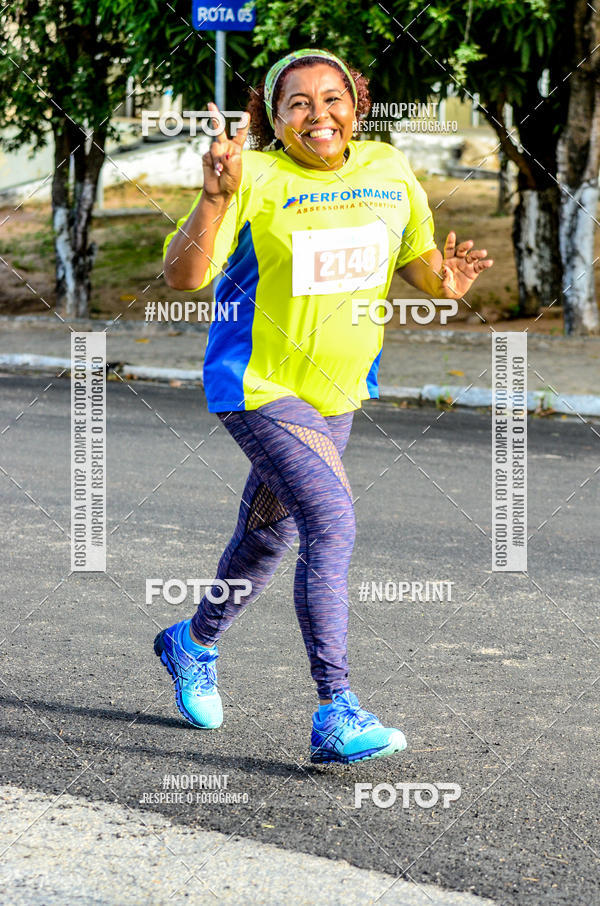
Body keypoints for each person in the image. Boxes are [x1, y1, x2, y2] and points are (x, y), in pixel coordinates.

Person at [157, 48, 493, 764]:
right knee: (332, 523)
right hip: (258, 386)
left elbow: (423, 270)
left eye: (332, 98)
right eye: (298, 103)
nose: (318, 115)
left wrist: (449, 283)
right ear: (274, 119)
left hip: (337, 392)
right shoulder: (254, 176)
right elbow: (184, 277)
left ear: (357, 104)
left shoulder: (389, 171)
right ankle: (336, 709)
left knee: (269, 537)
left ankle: (192, 643)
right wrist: (215, 198)